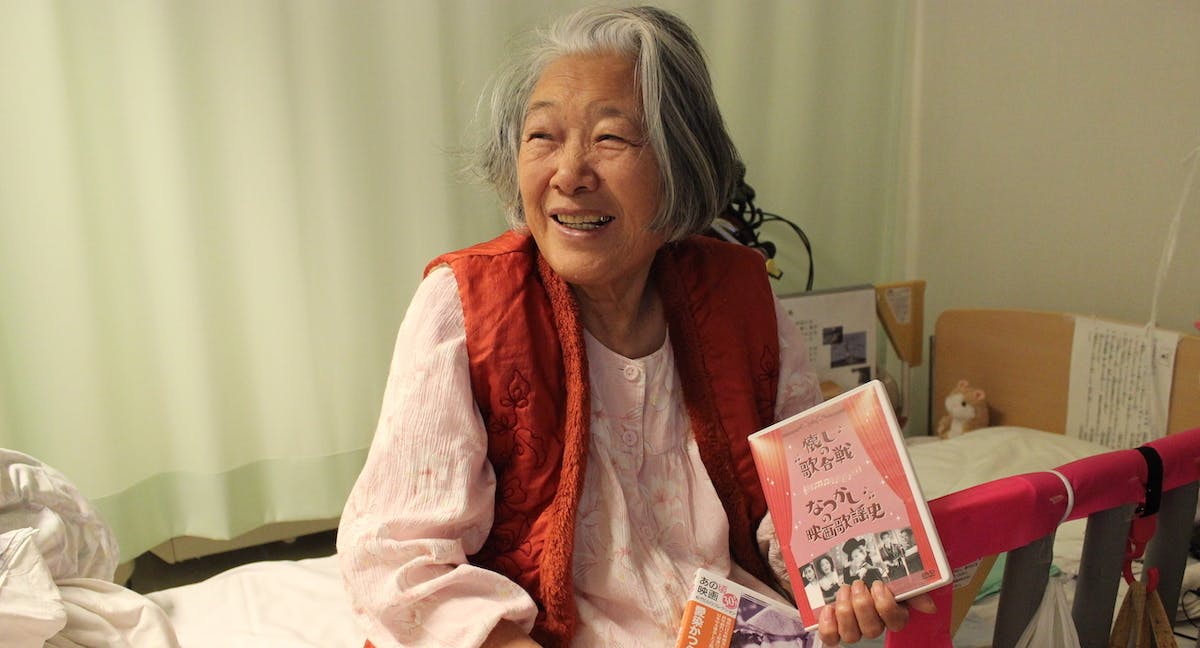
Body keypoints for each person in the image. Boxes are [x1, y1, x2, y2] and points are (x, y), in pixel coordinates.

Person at [336, 6, 933, 647]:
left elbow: (806, 495)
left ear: (680, 163)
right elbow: (395, 558)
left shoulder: (739, 293)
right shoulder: (466, 305)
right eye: (542, 137)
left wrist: (846, 582)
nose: (570, 174)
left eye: (610, 139)